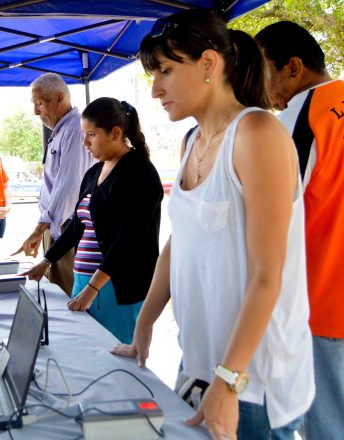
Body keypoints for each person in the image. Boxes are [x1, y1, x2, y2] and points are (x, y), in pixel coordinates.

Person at [111, 9, 314, 440]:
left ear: (208, 64)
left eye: (165, 70)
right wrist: (144, 323)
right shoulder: (191, 142)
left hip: (252, 380)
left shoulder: (257, 133)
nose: (155, 90)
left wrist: (228, 379)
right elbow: (179, 242)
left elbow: (267, 274)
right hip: (203, 365)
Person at [256, 21, 344, 440]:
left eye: (263, 70)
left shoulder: (299, 117)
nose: (261, 85)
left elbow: (272, 214)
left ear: (293, 67)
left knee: (325, 425)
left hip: (323, 305)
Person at [22, 97, 163, 343]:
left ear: (115, 133)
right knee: (86, 352)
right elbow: (77, 226)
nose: (84, 142)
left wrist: (94, 288)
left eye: (91, 135)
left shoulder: (139, 172)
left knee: (116, 360)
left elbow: (127, 239)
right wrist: (47, 260)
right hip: (84, 282)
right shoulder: (94, 172)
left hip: (116, 288)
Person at [13, 73, 94, 295]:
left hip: (69, 230)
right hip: (56, 229)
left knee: (67, 300)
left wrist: (40, 228)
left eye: (39, 103)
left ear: (59, 98)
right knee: (55, 294)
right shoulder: (62, 130)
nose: (35, 112)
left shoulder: (75, 131)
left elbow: (69, 186)